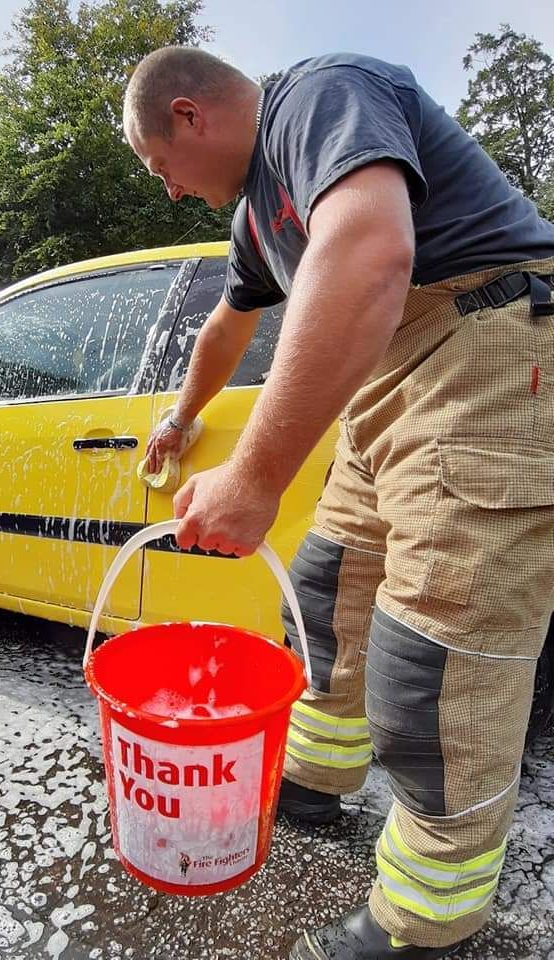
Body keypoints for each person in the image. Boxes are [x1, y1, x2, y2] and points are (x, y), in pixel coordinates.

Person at [122, 47, 554, 960]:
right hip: (387, 386)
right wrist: (182, 417)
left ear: (190, 116)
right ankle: (316, 781)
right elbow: (227, 324)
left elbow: (370, 250)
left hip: (489, 352)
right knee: (323, 592)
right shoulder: (255, 217)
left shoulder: (319, 98)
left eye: (161, 167)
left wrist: (253, 476)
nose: (167, 191)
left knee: (432, 662)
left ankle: (427, 923)